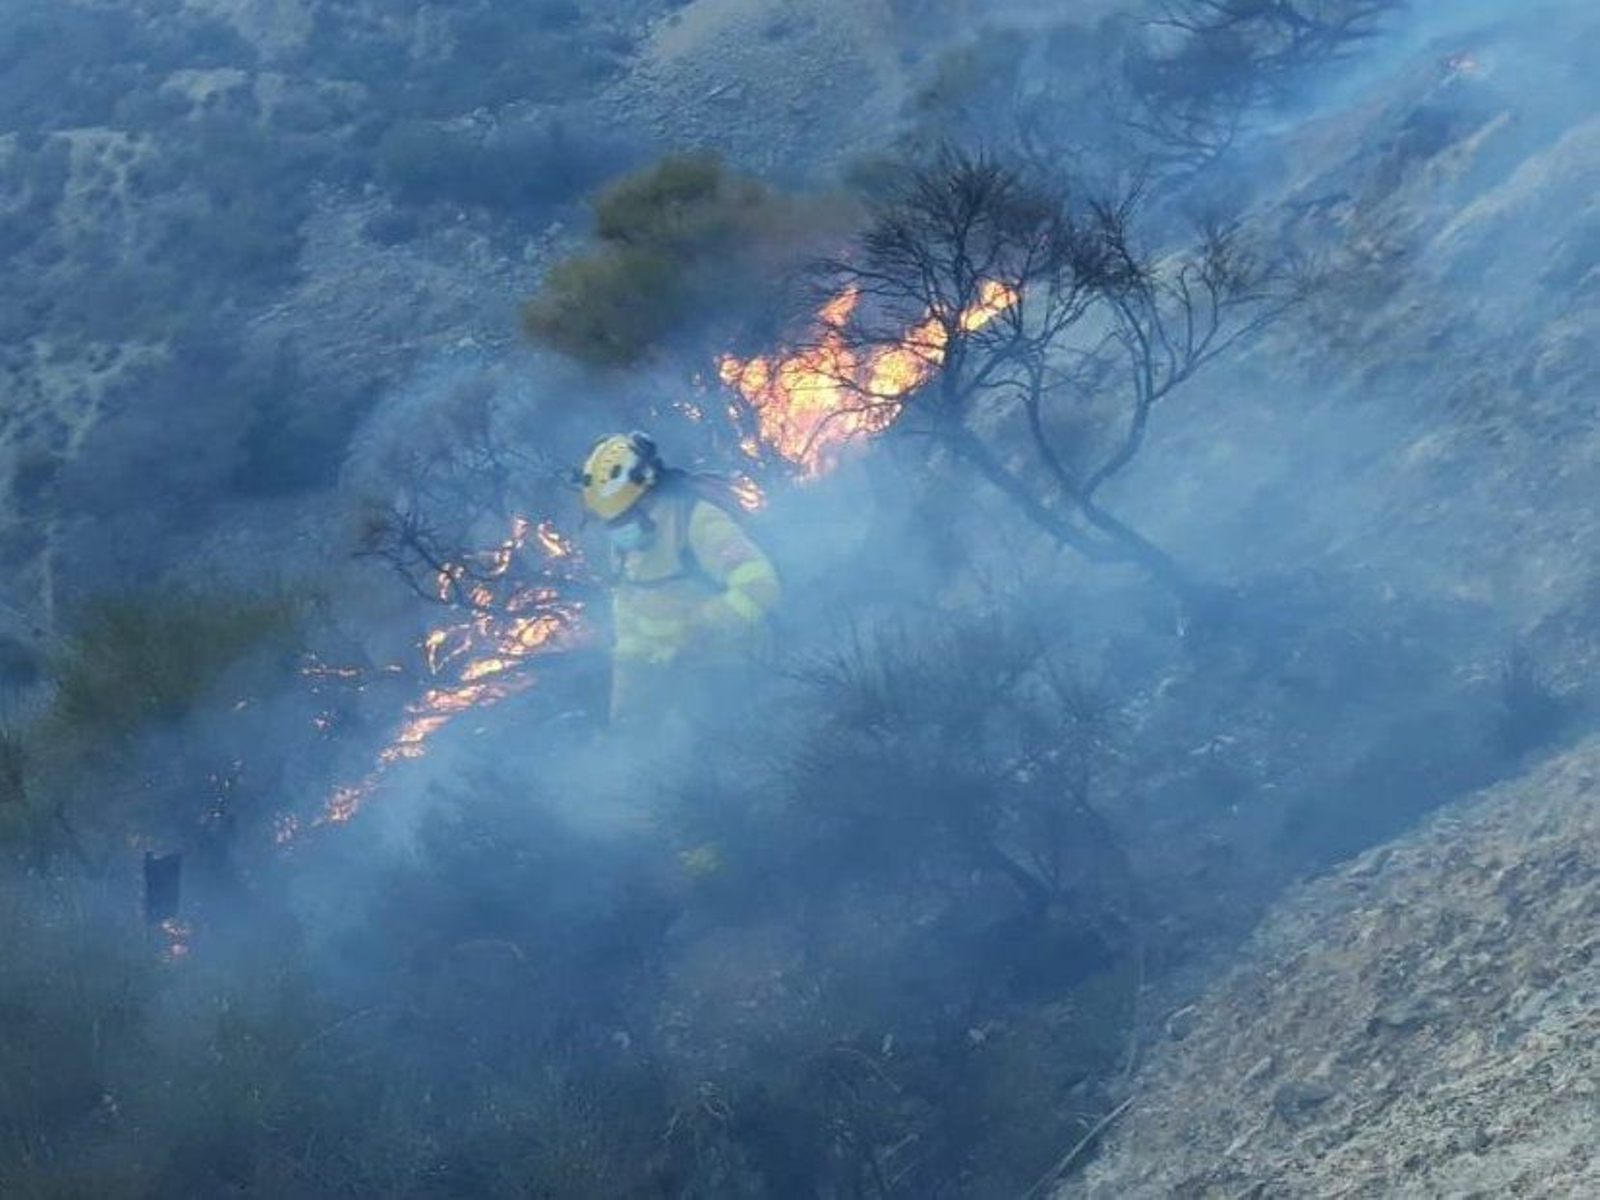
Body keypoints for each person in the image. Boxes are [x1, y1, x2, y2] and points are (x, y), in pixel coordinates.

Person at [576, 432, 780, 725]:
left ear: (647, 495)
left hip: (739, 668)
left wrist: (699, 626)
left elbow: (760, 586)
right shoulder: (625, 550)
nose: (619, 529)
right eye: (613, 521)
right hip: (684, 679)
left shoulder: (696, 521)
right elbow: (630, 635)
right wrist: (623, 715)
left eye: (625, 516)